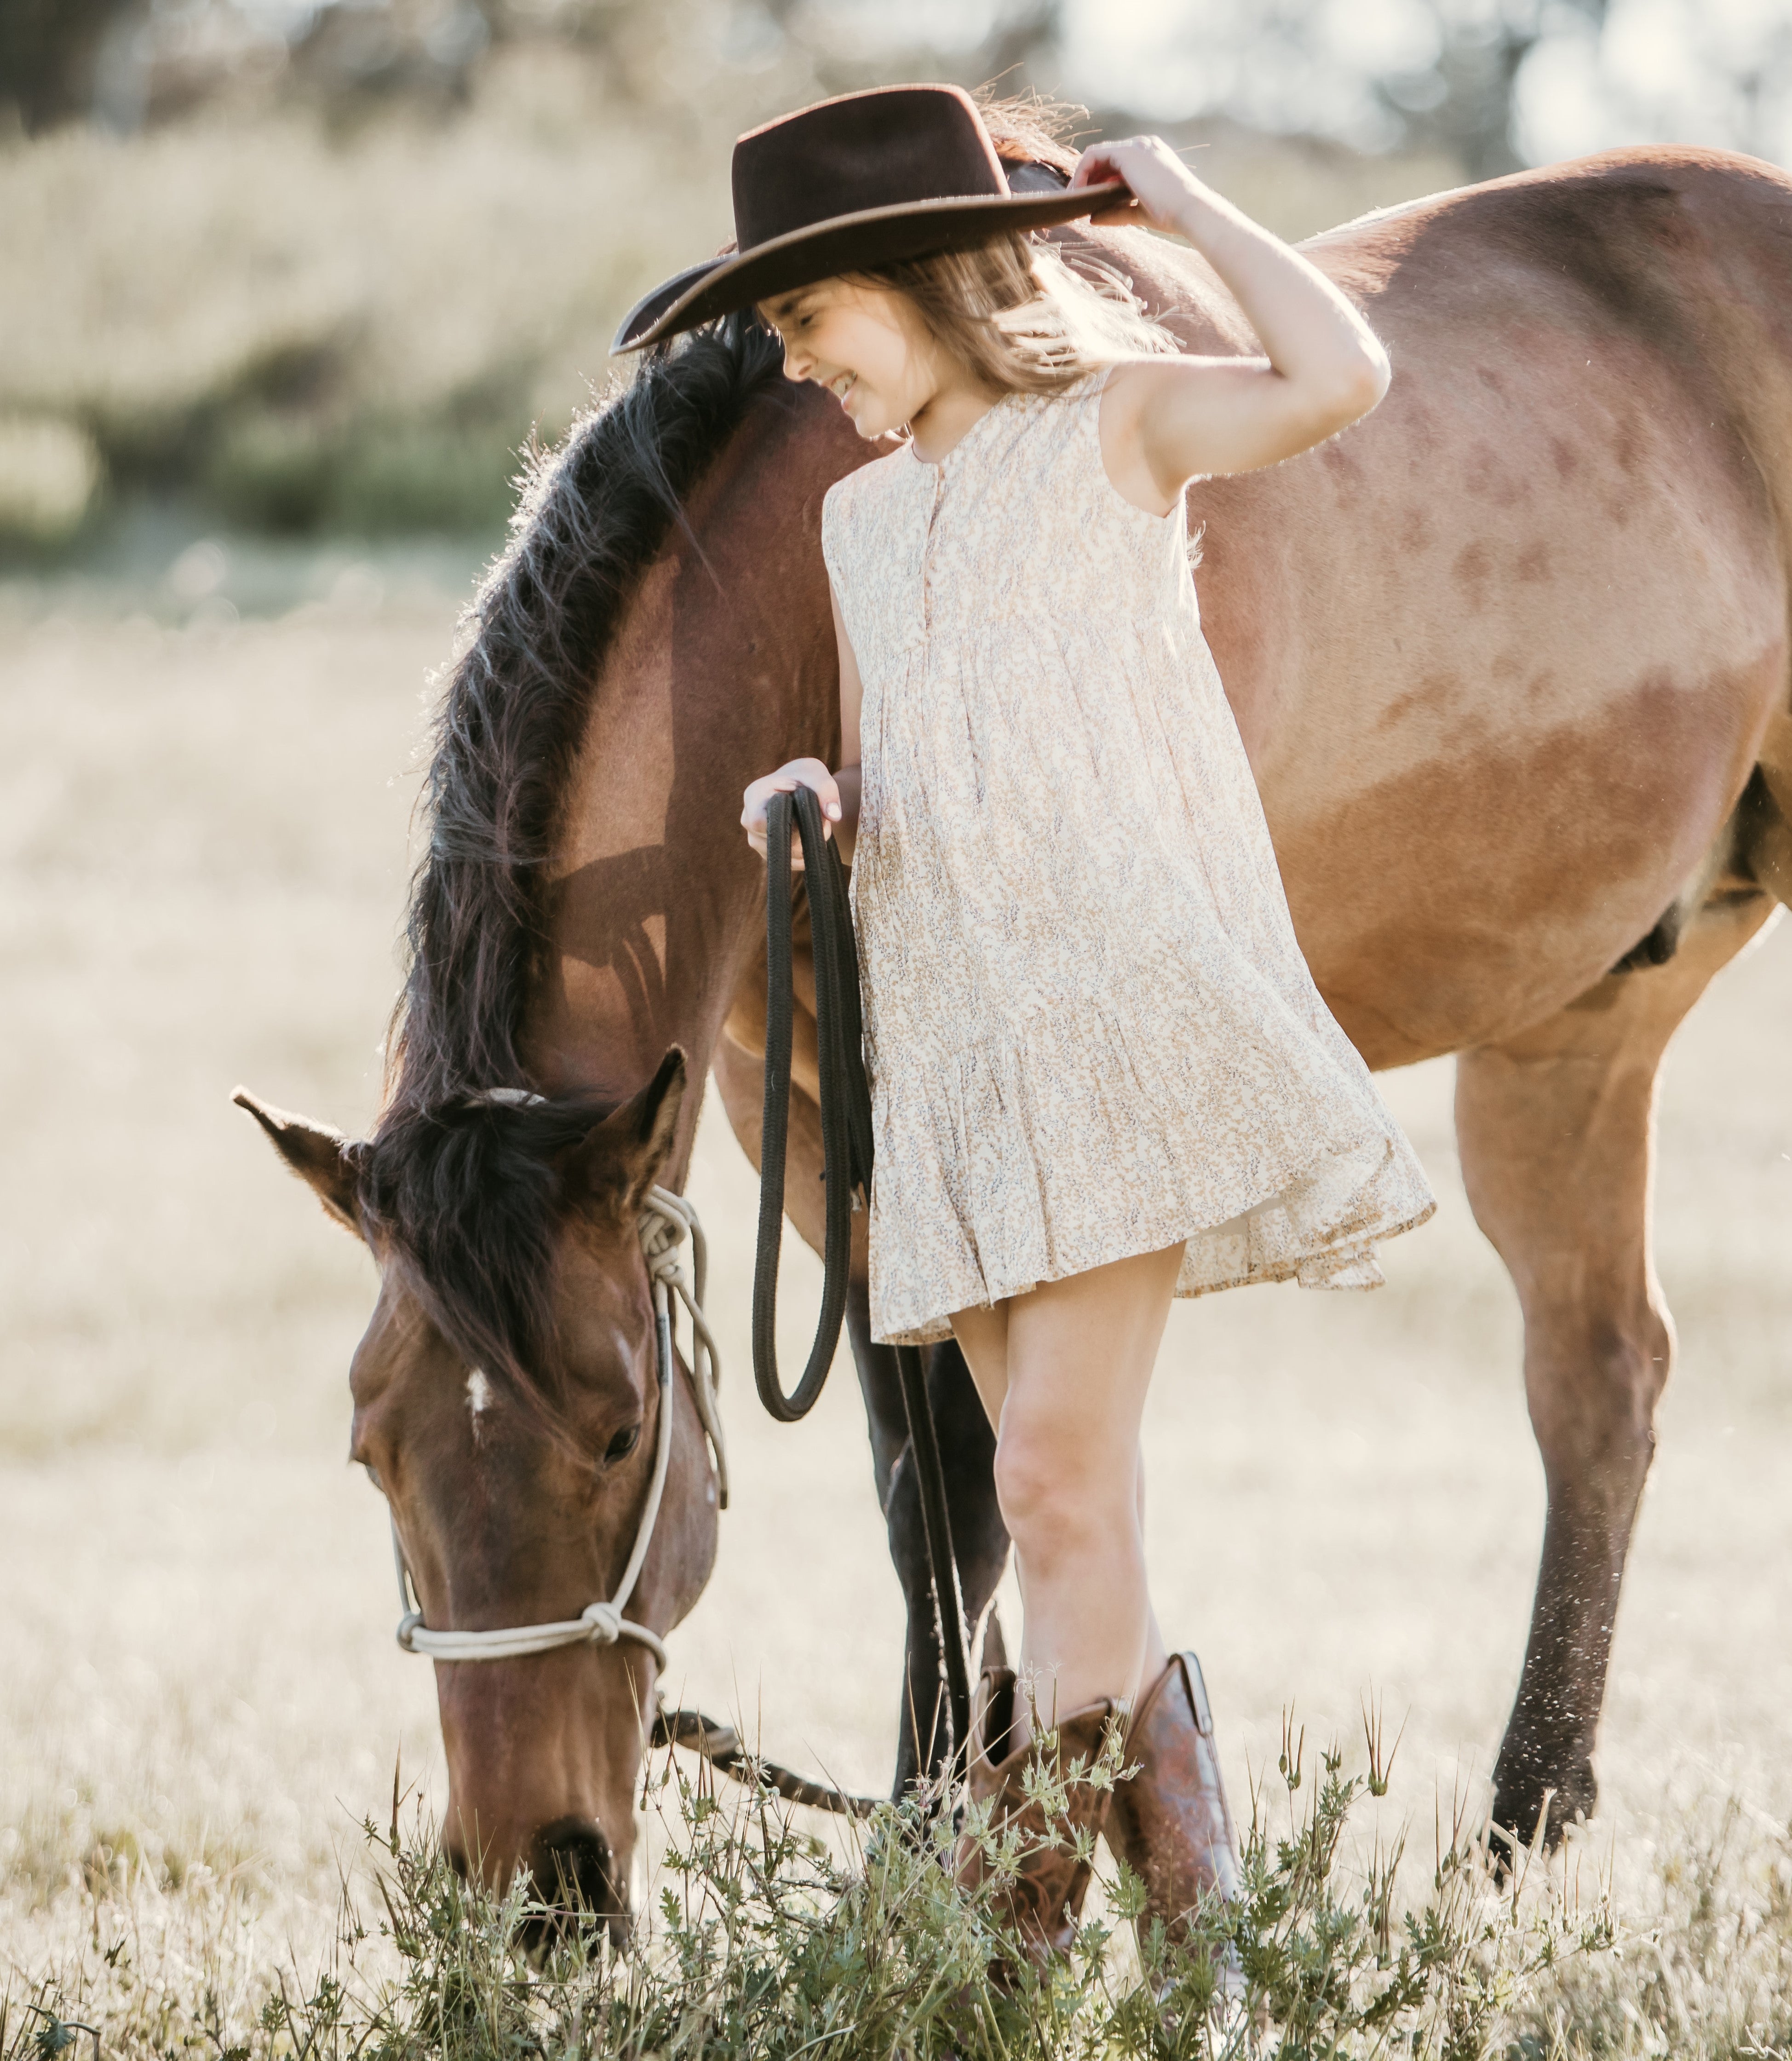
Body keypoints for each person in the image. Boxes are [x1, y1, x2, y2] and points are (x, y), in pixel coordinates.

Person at [616, 82, 1434, 1971]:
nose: (800, 369)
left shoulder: (1115, 427)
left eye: (811, 322)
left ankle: (1046, 1937)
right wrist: (822, 797)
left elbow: (1342, 377)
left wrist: (1189, 208)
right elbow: (910, 766)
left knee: (1051, 1475)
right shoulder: (861, 523)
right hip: (957, 1048)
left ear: (914, 276)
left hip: (1110, 1019)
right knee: (1067, 1507)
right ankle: (1190, 1955)